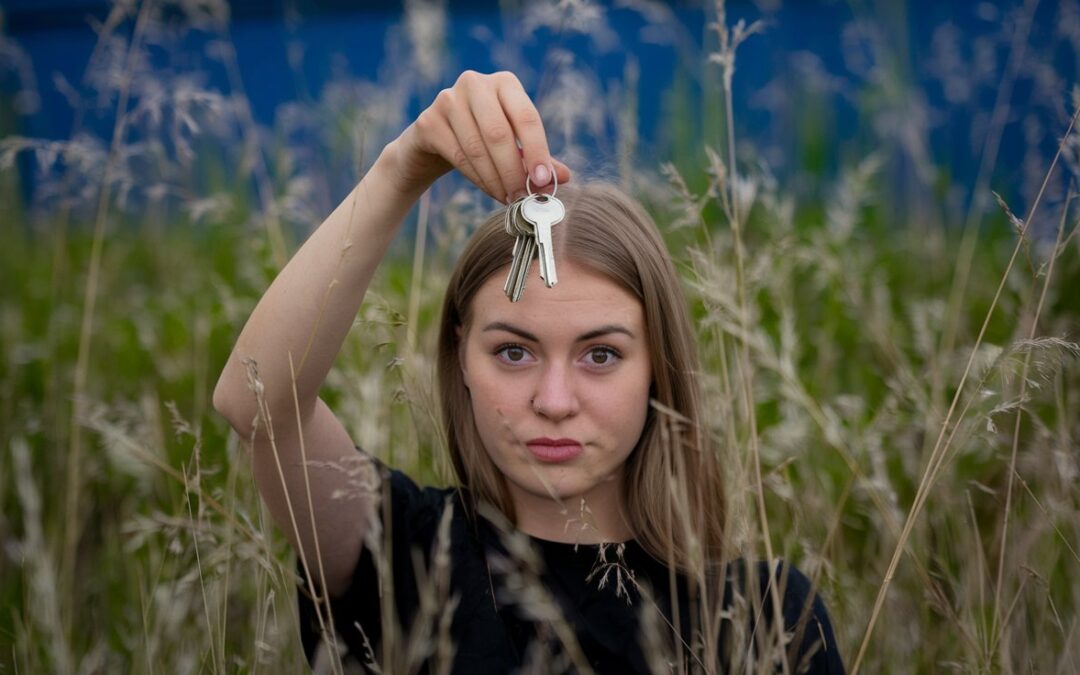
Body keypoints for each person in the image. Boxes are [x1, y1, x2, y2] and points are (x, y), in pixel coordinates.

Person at [213, 70, 845, 674]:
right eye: (514, 352)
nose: (554, 400)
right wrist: (402, 166)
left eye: (601, 355)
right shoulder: (405, 553)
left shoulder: (764, 616)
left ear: (658, 367)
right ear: (461, 355)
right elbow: (258, 401)